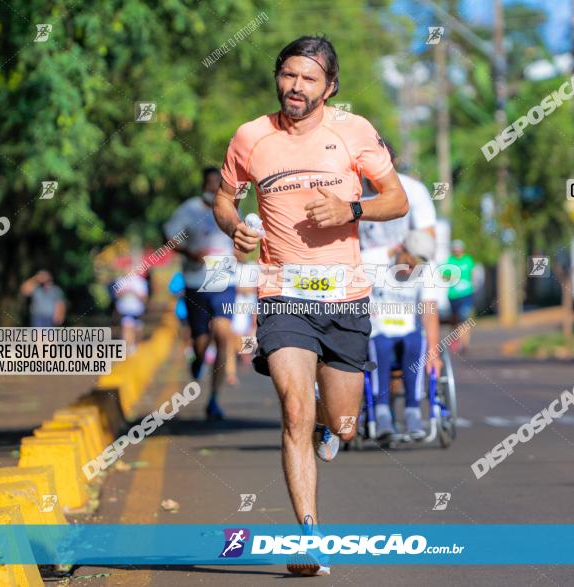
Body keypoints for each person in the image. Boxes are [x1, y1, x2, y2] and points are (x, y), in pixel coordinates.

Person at [212, 35, 409, 576]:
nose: (295, 87)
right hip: (281, 294)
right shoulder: (251, 137)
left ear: (330, 87)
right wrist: (237, 228)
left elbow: (397, 199)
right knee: (294, 410)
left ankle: (334, 427)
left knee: (343, 423)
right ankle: (309, 539)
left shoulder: (354, 131)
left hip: (344, 296)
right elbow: (225, 199)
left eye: (308, 79)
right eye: (288, 75)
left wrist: (350, 209)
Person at [164, 167, 237, 421]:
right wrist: (188, 253)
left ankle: (214, 399)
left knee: (223, 333)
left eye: (219, 184)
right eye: (210, 183)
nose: (213, 188)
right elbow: (168, 235)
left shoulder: (232, 206)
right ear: (203, 185)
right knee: (201, 340)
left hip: (225, 280)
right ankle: (197, 357)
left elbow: (241, 236)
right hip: (196, 280)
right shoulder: (190, 210)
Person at [368, 230, 442, 442]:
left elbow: (430, 311)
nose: (411, 269)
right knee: (380, 345)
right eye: (409, 263)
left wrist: (434, 354)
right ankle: (381, 412)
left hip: (407, 333)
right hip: (376, 331)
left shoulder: (427, 270)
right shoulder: (373, 260)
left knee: (417, 341)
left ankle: (413, 412)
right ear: (400, 249)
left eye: (417, 266)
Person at [445, 240, 476, 353]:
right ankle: (455, 338)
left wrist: (472, 286)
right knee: (455, 319)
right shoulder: (450, 260)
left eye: (459, 248)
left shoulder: (468, 260)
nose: (457, 251)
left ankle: (465, 344)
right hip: (453, 295)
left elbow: (472, 273)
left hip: (466, 293)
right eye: (455, 249)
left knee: (465, 318)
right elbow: (445, 276)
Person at [113, 272, 149, 352]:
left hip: (137, 310)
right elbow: (115, 295)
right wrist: (123, 292)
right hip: (125, 309)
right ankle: (128, 348)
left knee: (137, 330)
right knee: (127, 327)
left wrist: (135, 293)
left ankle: (137, 346)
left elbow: (144, 298)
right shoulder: (120, 280)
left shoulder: (140, 281)